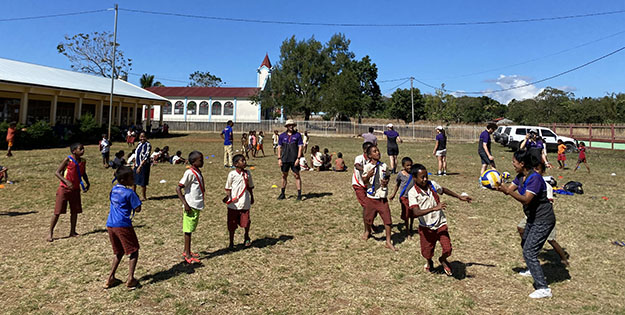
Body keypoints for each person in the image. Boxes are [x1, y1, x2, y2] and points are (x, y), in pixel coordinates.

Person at [496, 150, 556, 299]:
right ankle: (532, 268)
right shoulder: (520, 177)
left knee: (529, 251)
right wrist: (495, 185)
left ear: (522, 164)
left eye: (514, 162)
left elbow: (526, 199)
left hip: (543, 219)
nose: (513, 164)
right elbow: (508, 190)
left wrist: (507, 192)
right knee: (525, 242)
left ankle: (543, 288)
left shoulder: (534, 178)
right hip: (533, 218)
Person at [408, 163, 472, 276]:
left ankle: (443, 259)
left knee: (448, 249)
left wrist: (459, 196)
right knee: (427, 252)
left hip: (440, 223)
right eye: (422, 177)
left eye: (426, 175)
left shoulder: (431, 185)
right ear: (414, 178)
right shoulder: (412, 193)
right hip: (426, 228)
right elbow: (416, 212)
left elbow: (443, 190)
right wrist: (434, 208)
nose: (425, 179)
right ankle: (429, 261)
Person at [517, 161, 570, 267]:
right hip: (531, 216)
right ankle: (529, 253)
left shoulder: (545, 186)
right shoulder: (528, 182)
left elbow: (547, 204)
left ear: (543, 172)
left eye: (538, 169)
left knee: (551, 240)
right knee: (521, 228)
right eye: (534, 169)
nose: (535, 171)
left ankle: (563, 258)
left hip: (543, 218)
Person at [105, 166, 142, 289]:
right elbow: (138, 208)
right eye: (131, 177)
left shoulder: (113, 190)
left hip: (111, 224)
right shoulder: (129, 193)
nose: (133, 179)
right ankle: (130, 278)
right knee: (134, 250)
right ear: (124, 180)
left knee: (118, 252)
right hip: (123, 225)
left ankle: (110, 277)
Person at [47, 143, 90, 242]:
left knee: (75, 211)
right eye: (81, 149)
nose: (83, 151)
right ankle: (50, 232)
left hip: (75, 189)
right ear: (74, 151)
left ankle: (72, 231)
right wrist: (66, 181)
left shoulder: (83, 161)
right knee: (57, 211)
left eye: (83, 149)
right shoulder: (68, 160)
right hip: (64, 189)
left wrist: (87, 183)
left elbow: (83, 173)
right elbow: (57, 172)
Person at [361, 144, 395, 250]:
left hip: (382, 198)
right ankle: (367, 231)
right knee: (367, 218)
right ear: (370, 155)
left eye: (378, 151)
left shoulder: (384, 166)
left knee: (387, 220)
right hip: (371, 197)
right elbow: (364, 182)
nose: (378, 153)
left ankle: (388, 241)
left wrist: (386, 182)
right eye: (375, 152)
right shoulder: (367, 167)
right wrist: (368, 176)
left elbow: (388, 176)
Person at [176, 151, 205, 264]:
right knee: (188, 230)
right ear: (193, 162)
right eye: (200, 160)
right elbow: (178, 188)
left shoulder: (197, 171)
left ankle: (186, 250)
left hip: (196, 204)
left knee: (191, 228)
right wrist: (185, 203)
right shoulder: (189, 173)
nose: (202, 162)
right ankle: (187, 255)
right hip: (190, 205)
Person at [224, 154, 255, 249]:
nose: (245, 162)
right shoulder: (232, 174)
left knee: (246, 221)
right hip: (234, 204)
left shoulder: (247, 173)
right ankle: (231, 242)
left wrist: (252, 197)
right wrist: (229, 197)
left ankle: (246, 236)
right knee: (232, 223)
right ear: (236, 164)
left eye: (245, 160)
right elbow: (228, 187)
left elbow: (250, 187)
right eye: (242, 161)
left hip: (245, 201)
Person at [277, 119, 304, 200]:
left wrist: (298, 158)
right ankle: (282, 193)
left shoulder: (298, 135)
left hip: (294, 159)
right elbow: (279, 147)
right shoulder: (282, 136)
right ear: (287, 126)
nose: (291, 126)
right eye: (289, 125)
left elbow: (300, 147)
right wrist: (279, 158)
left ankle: (299, 194)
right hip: (284, 159)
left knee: (296, 175)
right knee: (284, 175)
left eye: (292, 125)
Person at [389, 157, 414, 238]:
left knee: (412, 213)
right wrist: (393, 194)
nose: (409, 167)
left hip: (412, 197)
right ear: (403, 166)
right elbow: (397, 185)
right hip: (404, 197)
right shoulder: (400, 174)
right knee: (406, 214)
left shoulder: (414, 173)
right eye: (407, 165)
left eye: (410, 165)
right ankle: (407, 231)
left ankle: (411, 227)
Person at [133, 132, 151, 201]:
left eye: (143, 137)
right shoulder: (139, 144)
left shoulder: (148, 145)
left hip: (143, 166)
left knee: (142, 182)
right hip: (137, 164)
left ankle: (144, 196)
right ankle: (133, 195)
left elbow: (146, 156)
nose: (142, 138)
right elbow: (136, 154)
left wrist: (140, 166)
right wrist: (134, 163)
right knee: (133, 181)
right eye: (141, 137)